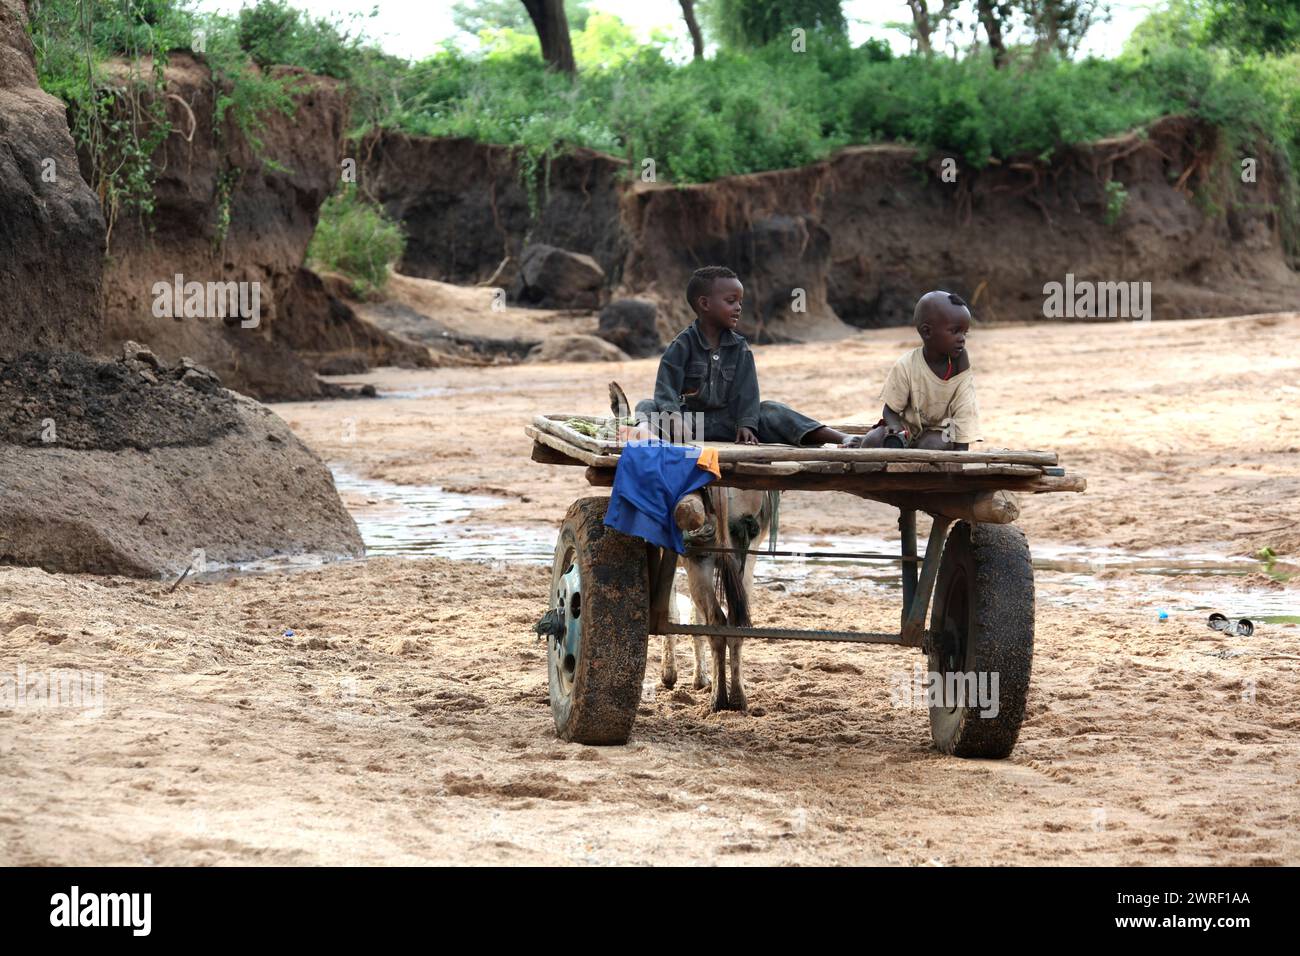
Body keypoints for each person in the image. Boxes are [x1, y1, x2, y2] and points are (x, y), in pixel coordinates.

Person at [635, 266, 853, 446]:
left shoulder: (740, 347)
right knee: (647, 405)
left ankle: (843, 438)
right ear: (705, 304)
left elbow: (747, 392)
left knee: (771, 410)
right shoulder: (682, 344)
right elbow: (665, 388)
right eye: (731, 301)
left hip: (727, 424)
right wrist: (673, 416)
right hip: (689, 423)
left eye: (740, 302)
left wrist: (746, 424)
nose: (739, 307)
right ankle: (643, 435)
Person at [848, 290, 981, 450]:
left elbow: (965, 415)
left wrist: (961, 456)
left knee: (931, 445)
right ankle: (872, 445)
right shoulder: (906, 365)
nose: (962, 339)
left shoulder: (960, 369)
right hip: (908, 428)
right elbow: (890, 410)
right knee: (872, 440)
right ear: (927, 332)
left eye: (964, 332)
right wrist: (895, 429)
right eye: (954, 331)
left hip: (942, 431)